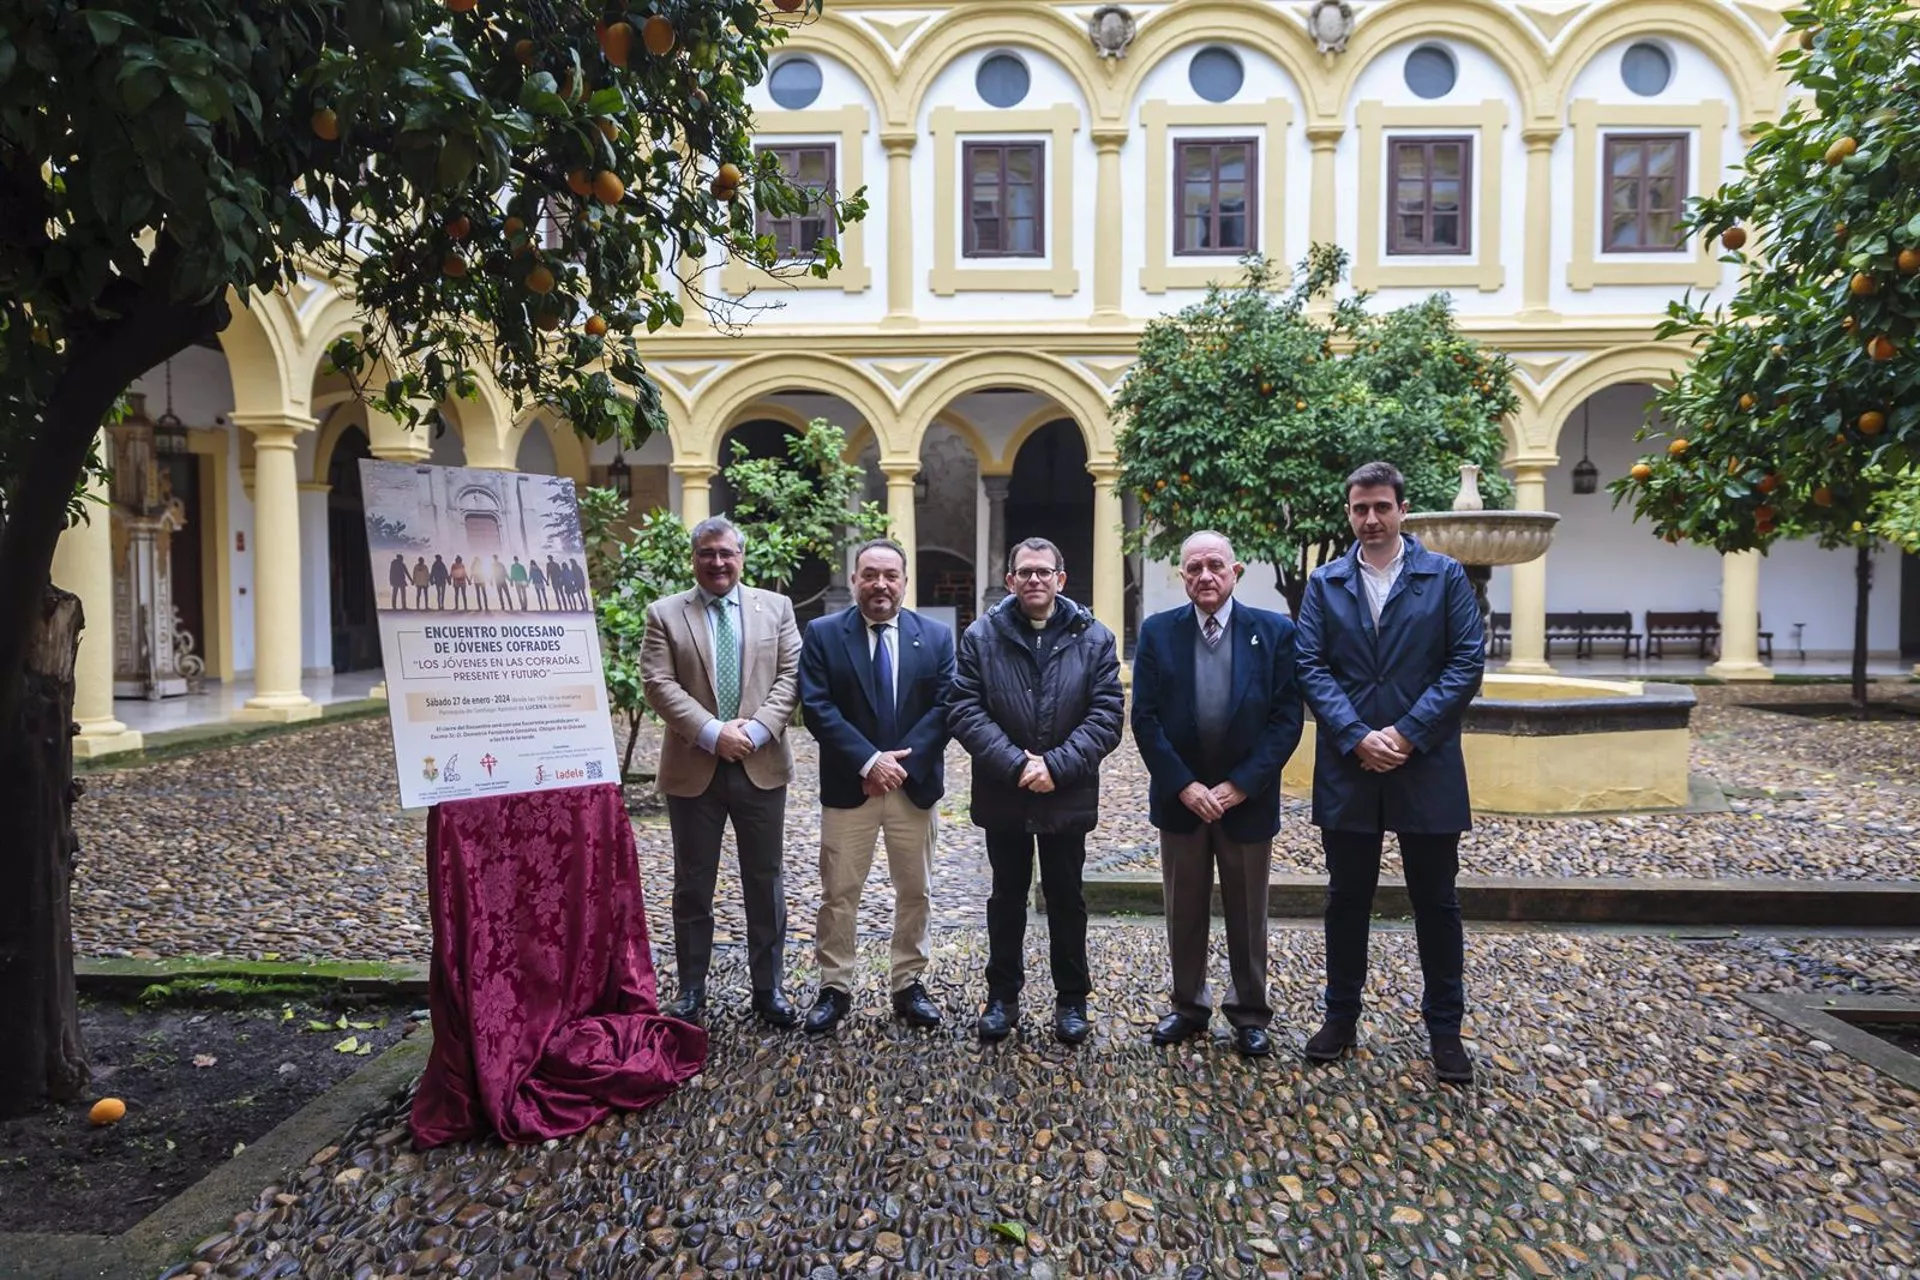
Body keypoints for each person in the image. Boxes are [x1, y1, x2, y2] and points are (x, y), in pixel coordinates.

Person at [1294, 461, 1484, 1085]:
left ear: (1403, 510)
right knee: (1347, 898)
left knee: (1436, 900)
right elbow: (1311, 665)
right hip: (1351, 766)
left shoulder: (1445, 576)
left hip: (1423, 762)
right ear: (1348, 513)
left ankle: (1445, 1031)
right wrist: (1354, 735)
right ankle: (1340, 1016)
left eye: (1380, 507)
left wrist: (1405, 732)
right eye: (1359, 509)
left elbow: (1465, 664)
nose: (1370, 519)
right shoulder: (1326, 583)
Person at [1131, 531, 1303, 1059]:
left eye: (1215, 566)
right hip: (1181, 802)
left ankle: (1249, 1011)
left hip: (1244, 802)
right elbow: (1146, 719)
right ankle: (1188, 1006)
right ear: (1182, 576)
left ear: (1237, 572)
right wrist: (1184, 785)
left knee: (1248, 912)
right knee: (1183, 909)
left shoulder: (1273, 632)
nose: (1205, 575)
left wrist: (1237, 786)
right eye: (1194, 567)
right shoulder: (1158, 633)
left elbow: (1285, 720)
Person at [948, 537, 1123, 1045]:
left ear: (1061, 579)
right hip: (1006, 791)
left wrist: (1056, 766)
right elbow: (964, 707)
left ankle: (1071, 1000)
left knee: (1067, 898)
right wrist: (1016, 764)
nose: (1034, 580)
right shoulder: (982, 636)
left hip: (1065, 791)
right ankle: (1002, 997)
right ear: (1010, 581)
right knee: (1006, 898)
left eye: (1044, 572)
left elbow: (1108, 714)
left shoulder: (1095, 638)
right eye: (1025, 572)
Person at [641, 516, 803, 1028]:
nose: (718, 562)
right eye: (708, 553)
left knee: (765, 878)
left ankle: (769, 986)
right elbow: (658, 683)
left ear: (742, 555)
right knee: (693, 881)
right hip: (695, 765)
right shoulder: (665, 614)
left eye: (727, 553)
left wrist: (754, 732)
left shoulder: (775, 608)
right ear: (694, 558)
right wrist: (713, 731)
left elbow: (791, 677)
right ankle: (691, 989)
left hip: (761, 763)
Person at [797, 539, 955, 1035]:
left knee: (916, 891)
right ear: (854, 580)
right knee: (839, 892)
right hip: (851, 788)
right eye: (870, 575)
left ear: (905, 581)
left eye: (890, 575)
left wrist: (897, 767)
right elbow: (817, 707)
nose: (880, 585)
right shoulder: (823, 635)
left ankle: (909, 983)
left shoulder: (935, 636)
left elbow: (946, 705)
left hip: (913, 787)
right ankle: (834, 985)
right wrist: (868, 761)